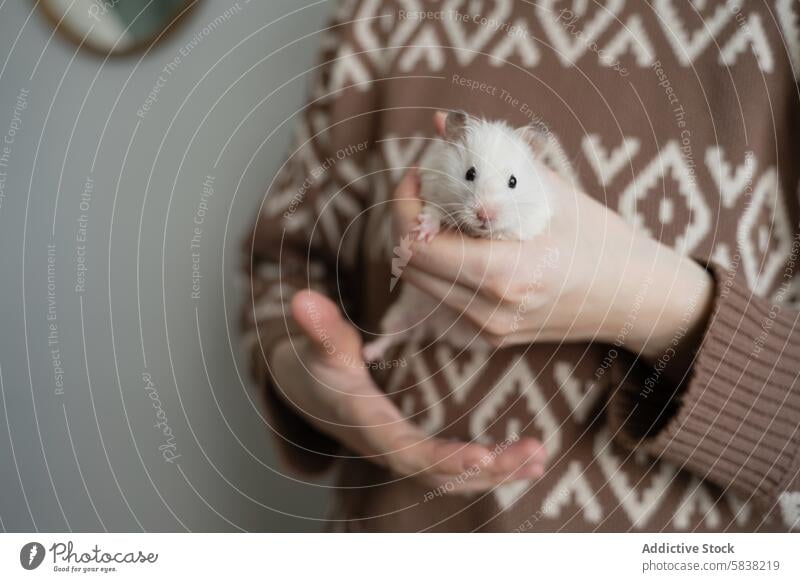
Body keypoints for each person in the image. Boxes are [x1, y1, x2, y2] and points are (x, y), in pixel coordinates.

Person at [241, 0, 800, 531]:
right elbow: (282, 262)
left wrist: (653, 305)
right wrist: (321, 380)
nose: (485, 211)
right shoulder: (380, 12)